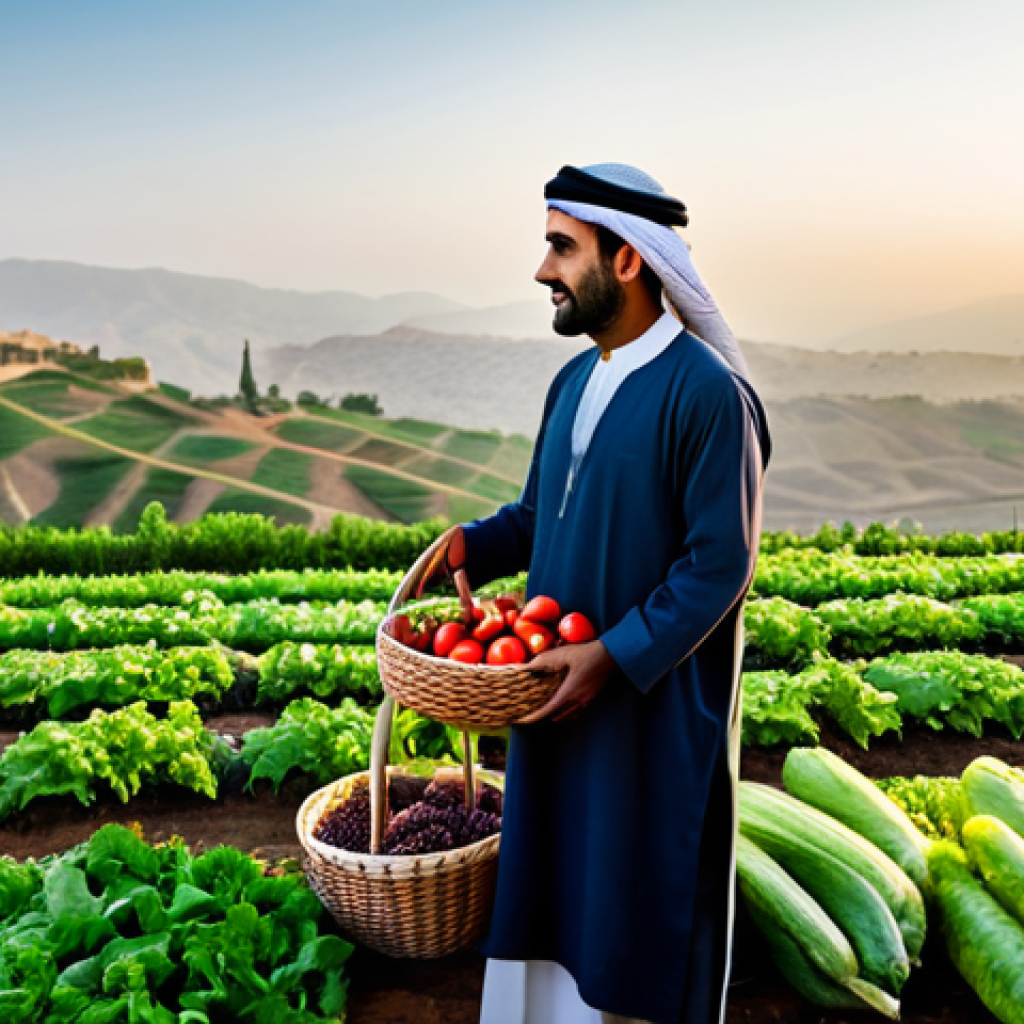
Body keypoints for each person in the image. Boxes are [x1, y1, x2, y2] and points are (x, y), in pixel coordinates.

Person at [436, 163, 770, 1024]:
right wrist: (479, 541)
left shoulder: (706, 394)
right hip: (557, 694)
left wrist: (614, 657)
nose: (542, 270)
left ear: (626, 260)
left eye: (560, 246)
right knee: (552, 889)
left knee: (630, 906)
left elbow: (717, 565)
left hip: (645, 715)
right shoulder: (574, 382)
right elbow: (544, 514)